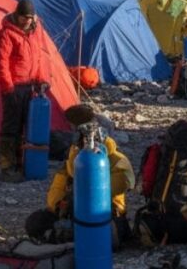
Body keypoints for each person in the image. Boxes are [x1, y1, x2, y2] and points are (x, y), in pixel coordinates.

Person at [24, 104, 135, 250]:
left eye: (72, 127)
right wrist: (58, 206)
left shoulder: (112, 158)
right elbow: (61, 182)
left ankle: (68, 239)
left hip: (102, 216)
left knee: (96, 234)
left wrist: (76, 197)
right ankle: (66, 237)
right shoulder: (75, 152)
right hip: (71, 211)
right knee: (35, 223)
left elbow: (122, 184)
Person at [0, 0, 48, 183]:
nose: (27, 21)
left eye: (30, 18)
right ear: (17, 15)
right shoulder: (6, 35)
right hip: (14, 87)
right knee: (11, 127)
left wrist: (41, 79)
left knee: (27, 126)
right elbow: (0, 63)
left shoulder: (33, 33)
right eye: (24, 17)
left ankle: (21, 163)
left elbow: (38, 58)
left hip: (30, 86)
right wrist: (7, 87)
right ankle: (7, 167)